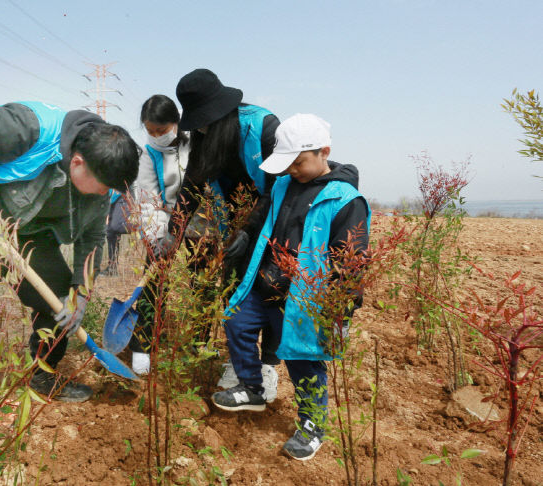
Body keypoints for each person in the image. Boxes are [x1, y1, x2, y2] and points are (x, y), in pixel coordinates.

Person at [0, 100, 140, 415]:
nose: (105, 195)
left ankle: (44, 377)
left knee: (56, 299)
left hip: (27, 226)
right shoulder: (24, 129)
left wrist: (80, 294)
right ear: (78, 162)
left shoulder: (102, 177)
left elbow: (93, 238)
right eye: (104, 188)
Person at [209, 113, 371, 461]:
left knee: (303, 360)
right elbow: (261, 216)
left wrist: (342, 306)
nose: (293, 170)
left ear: (323, 152)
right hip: (264, 280)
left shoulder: (345, 199)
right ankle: (252, 388)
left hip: (303, 297)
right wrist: (245, 234)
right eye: (288, 164)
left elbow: (352, 259)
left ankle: (313, 424)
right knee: (236, 322)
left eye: (298, 162)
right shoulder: (282, 184)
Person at [159, 68, 281, 400]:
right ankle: (240, 362)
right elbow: (192, 186)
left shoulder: (264, 128)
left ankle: (268, 366)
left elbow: (277, 188)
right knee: (234, 288)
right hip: (234, 222)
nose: (200, 128)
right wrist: (173, 232)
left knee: (272, 287)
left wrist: (251, 230)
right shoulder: (205, 136)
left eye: (204, 122)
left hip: (274, 219)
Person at [127, 94, 190, 374]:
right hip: (165, 217)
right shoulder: (147, 155)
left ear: (175, 124)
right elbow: (148, 198)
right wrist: (158, 237)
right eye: (150, 131)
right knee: (153, 282)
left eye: (161, 131)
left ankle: (197, 345)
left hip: (201, 218)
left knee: (204, 278)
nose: (156, 137)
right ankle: (143, 345)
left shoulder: (194, 143)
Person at [104, 188, 131, 276]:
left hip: (124, 194)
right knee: (110, 231)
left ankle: (140, 228)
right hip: (114, 196)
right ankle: (112, 267)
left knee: (114, 227)